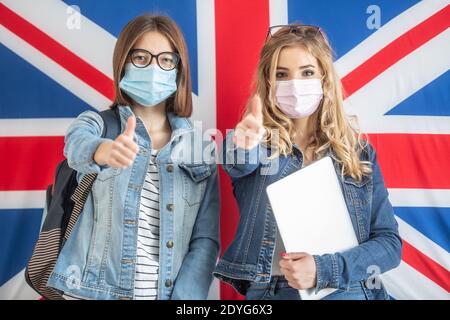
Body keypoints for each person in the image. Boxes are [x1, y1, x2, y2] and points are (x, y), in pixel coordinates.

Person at [213, 24, 402, 300]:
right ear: (268, 82)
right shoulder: (253, 144)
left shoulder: (358, 154)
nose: (295, 84)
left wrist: (323, 268)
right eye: (282, 74)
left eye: (307, 72)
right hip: (271, 293)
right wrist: (244, 143)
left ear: (324, 80)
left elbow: (389, 244)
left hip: (347, 289)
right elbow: (239, 162)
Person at [47, 14, 220, 300]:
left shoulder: (199, 149)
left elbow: (205, 239)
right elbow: (76, 144)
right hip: (92, 294)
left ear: (178, 69)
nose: (154, 67)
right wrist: (103, 151)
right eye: (141, 58)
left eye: (166, 59)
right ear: (123, 63)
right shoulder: (99, 125)